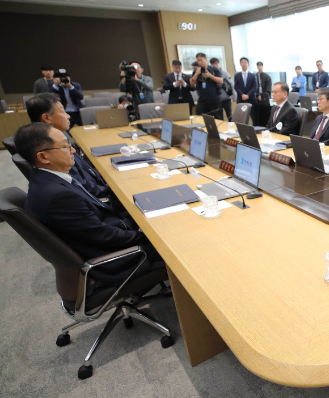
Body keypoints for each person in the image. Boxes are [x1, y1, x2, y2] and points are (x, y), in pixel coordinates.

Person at [16, 123, 164, 285]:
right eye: (65, 146)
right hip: (118, 261)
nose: (72, 150)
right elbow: (105, 237)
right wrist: (150, 235)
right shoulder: (57, 196)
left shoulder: (47, 179)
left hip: (110, 234)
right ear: (43, 157)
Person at [26, 93, 111, 199]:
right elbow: (79, 184)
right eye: (63, 112)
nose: (68, 116)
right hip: (98, 195)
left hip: (96, 182)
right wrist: (112, 189)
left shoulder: (53, 138)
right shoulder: (52, 149)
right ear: (47, 118)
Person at [190, 53, 223, 119]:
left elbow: (221, 81)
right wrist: (196, 74)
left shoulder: (213, 69)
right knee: (200, 118)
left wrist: (210, 75)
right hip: (202, 99)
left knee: (217, 118)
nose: (199, 62)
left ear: (205, 59)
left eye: (201, 60)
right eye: (198, 61)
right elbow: (192, 83)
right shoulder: (196, 70)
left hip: (214, 99)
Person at [234, 57, 257, 123]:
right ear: (240, 64)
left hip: (251, 99)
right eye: (242, 62)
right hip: (241, 99)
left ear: (248, 64)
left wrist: (248, 95)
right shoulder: (237, 75)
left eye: (245, 62)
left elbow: (255, 87)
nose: (244, 64)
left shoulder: (253, 75)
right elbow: (236, 86)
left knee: (253, 117)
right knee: (242, 117)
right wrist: (242, 94)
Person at [256, 61, 273, 126]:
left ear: (262, 66)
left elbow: (268, 88)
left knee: (265, 114)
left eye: (260, 65)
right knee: (257, 115)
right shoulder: (255, 76)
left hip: (265, 99)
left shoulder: (267, 76)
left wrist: (262, 96)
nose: (259, 67)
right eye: (258, 65)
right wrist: (257, 95)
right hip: (256, 98)